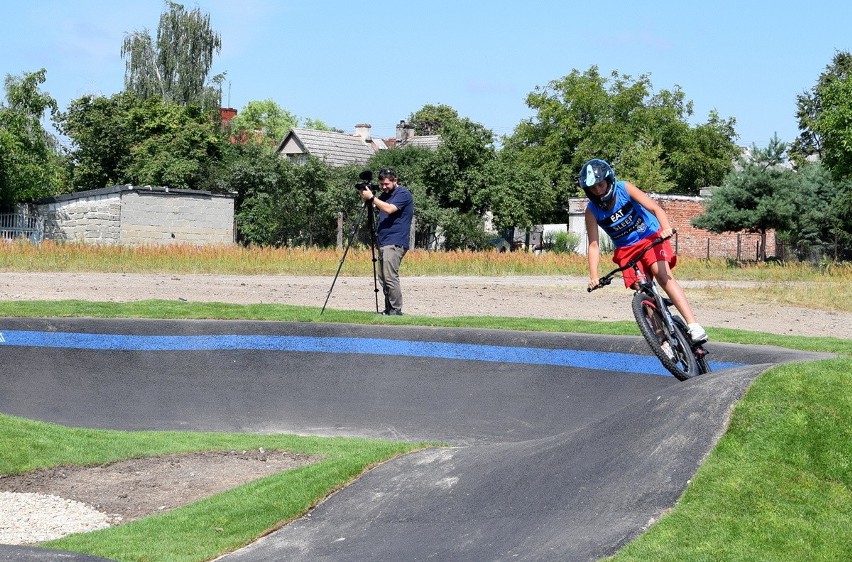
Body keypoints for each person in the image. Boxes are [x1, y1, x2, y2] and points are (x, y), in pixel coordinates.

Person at [580, 158, 708, 343]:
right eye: (593, 188)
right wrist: (593, 277)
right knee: (642, 291)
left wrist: (665, 229)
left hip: (650, 237)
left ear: (608, 180)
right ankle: (662, 341)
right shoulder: (591, 210)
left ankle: (693, 325)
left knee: (662, 275)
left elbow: (656, 208)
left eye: (601, 184)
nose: (598, 190)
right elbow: (593, 244)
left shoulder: (624, 188)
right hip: (626, 250)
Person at [359, 167, 414, 315]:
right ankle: (388, 309)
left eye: (387, 184)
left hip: (395, 241)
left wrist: (372, 197)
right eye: (381, 184)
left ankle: (396, 310)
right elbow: (375, 205)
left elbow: (389, 209)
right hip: (383, 241)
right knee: (383, 278)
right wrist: (367, 197)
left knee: (390, 277)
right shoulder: (384, 195)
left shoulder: (403, 194)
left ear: (395, 180)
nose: (384, 187)